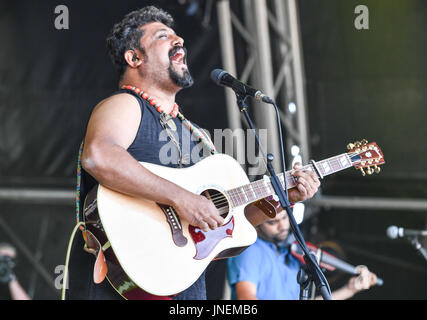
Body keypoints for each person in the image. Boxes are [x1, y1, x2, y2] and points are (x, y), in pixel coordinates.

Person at [65, 6, 321, 300]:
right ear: (133, 57)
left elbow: (230, 224)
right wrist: (182, 199)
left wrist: (283, 198)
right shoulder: (125, 105)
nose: (180, 41)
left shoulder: (197, 135)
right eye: (164, 36)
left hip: (183, 290)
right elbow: (99, 156)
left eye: (178, 36)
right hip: (121, 286)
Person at [227, 210, 378, 300]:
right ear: (257, 226)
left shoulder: (292, 254)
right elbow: (246, 298)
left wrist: (350, 289)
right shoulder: (250, 249)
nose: (283, 226)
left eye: (285, 218)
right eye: (273, 222)